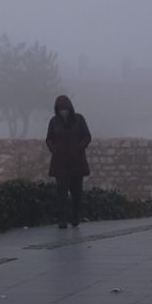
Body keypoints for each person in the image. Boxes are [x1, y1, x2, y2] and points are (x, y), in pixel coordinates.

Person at [45, 94, 91, 228]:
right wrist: (55, 150)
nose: (63, 112)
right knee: (61, 193)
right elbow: (49, 139)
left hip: (77, 162)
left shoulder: (79, 119)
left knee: (77, 192)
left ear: (70, 109)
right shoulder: (54, 122)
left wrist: (79, 147)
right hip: (60, 163)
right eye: (60, 110)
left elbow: (87, 136)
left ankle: (76, 217)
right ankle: (62, 219)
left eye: (65, 109)